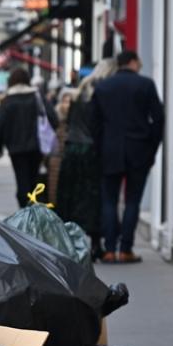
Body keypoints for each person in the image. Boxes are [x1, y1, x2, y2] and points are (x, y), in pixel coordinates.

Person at [90, 49, 164, 263]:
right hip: (138, 149)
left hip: (110, 150)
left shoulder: (102, 86)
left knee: (109, 201)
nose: (140, 64)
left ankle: (110, 249)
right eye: (139, 61)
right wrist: (151, 147)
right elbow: (158, 119)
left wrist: (100, 146)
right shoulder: (146, 85)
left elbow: (94, 123)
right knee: (133, 201)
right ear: (132, 62)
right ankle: (126, 249)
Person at [57, 59, 117, 258]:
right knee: (94, 198)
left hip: (73, 149)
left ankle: (69, 243)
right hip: (91, 151)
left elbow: (69, 123)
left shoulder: (78, 92)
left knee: (71, 197)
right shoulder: (104, 93)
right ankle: (96, 243)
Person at [0, 66, 60, 208]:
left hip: (15, 148)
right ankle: (32, 209)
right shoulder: (37, 96)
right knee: (33, 179)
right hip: (37, 147)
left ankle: (25, 211)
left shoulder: (7, 100)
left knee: (21, 180)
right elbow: (54, 119)